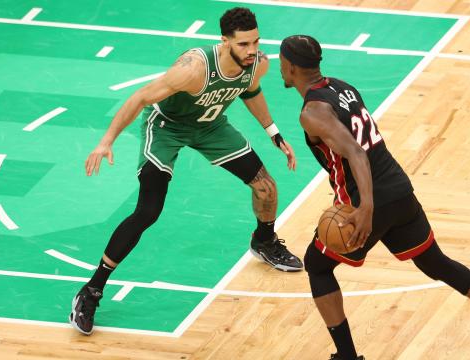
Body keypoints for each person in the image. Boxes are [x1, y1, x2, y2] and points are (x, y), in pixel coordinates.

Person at [278, 35, 470, 360]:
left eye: (280, 62)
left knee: (317, 266)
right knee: (435, 262)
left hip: (368, 203)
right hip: (400, 191)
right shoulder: (343, 87)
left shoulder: (313, 113)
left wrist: (366, 208)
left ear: (289, 66)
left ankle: (347, 356)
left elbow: (357, 154)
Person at [69, 7, 304, 336]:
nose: (252, 50)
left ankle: (264, 242)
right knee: (148, 211)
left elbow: (250, 92)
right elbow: (140, 97)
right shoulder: (193, 69)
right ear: (224, 42)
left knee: (266, 187)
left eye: (256, 42)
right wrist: (105, 141)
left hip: (210, 127)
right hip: (167, 128)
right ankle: (92, 289)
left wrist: (274, 132)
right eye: (243, 45)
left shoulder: (257, 63)